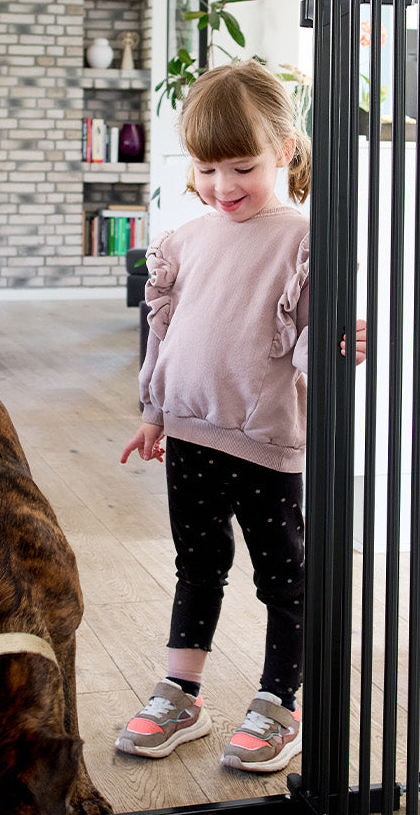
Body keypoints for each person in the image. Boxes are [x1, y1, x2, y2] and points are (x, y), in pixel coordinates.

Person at [116, 59, 364, 774]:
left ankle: (280, 701)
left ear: (283, 151)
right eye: (206, 169)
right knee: (197, 565)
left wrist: (344, 345)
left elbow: (311, 343)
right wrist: (154, 412)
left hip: (262, 442)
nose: (222, 186)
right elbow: (166, 335)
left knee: (283, 577)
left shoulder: (304, 240)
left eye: (242, 168)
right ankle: (181, 693)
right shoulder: (184, 241)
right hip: (189, 434)